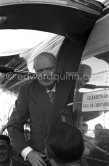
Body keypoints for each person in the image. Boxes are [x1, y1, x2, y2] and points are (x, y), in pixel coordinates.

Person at [7, 52, 74, 166]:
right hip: (42, 160)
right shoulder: (27, 91)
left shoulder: (72, 85)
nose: (45, 75)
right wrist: (29, 153)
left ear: (57, 67)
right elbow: (13, 126)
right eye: (40, 71)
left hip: (70, 158)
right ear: (35, 71)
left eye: (49, 69)